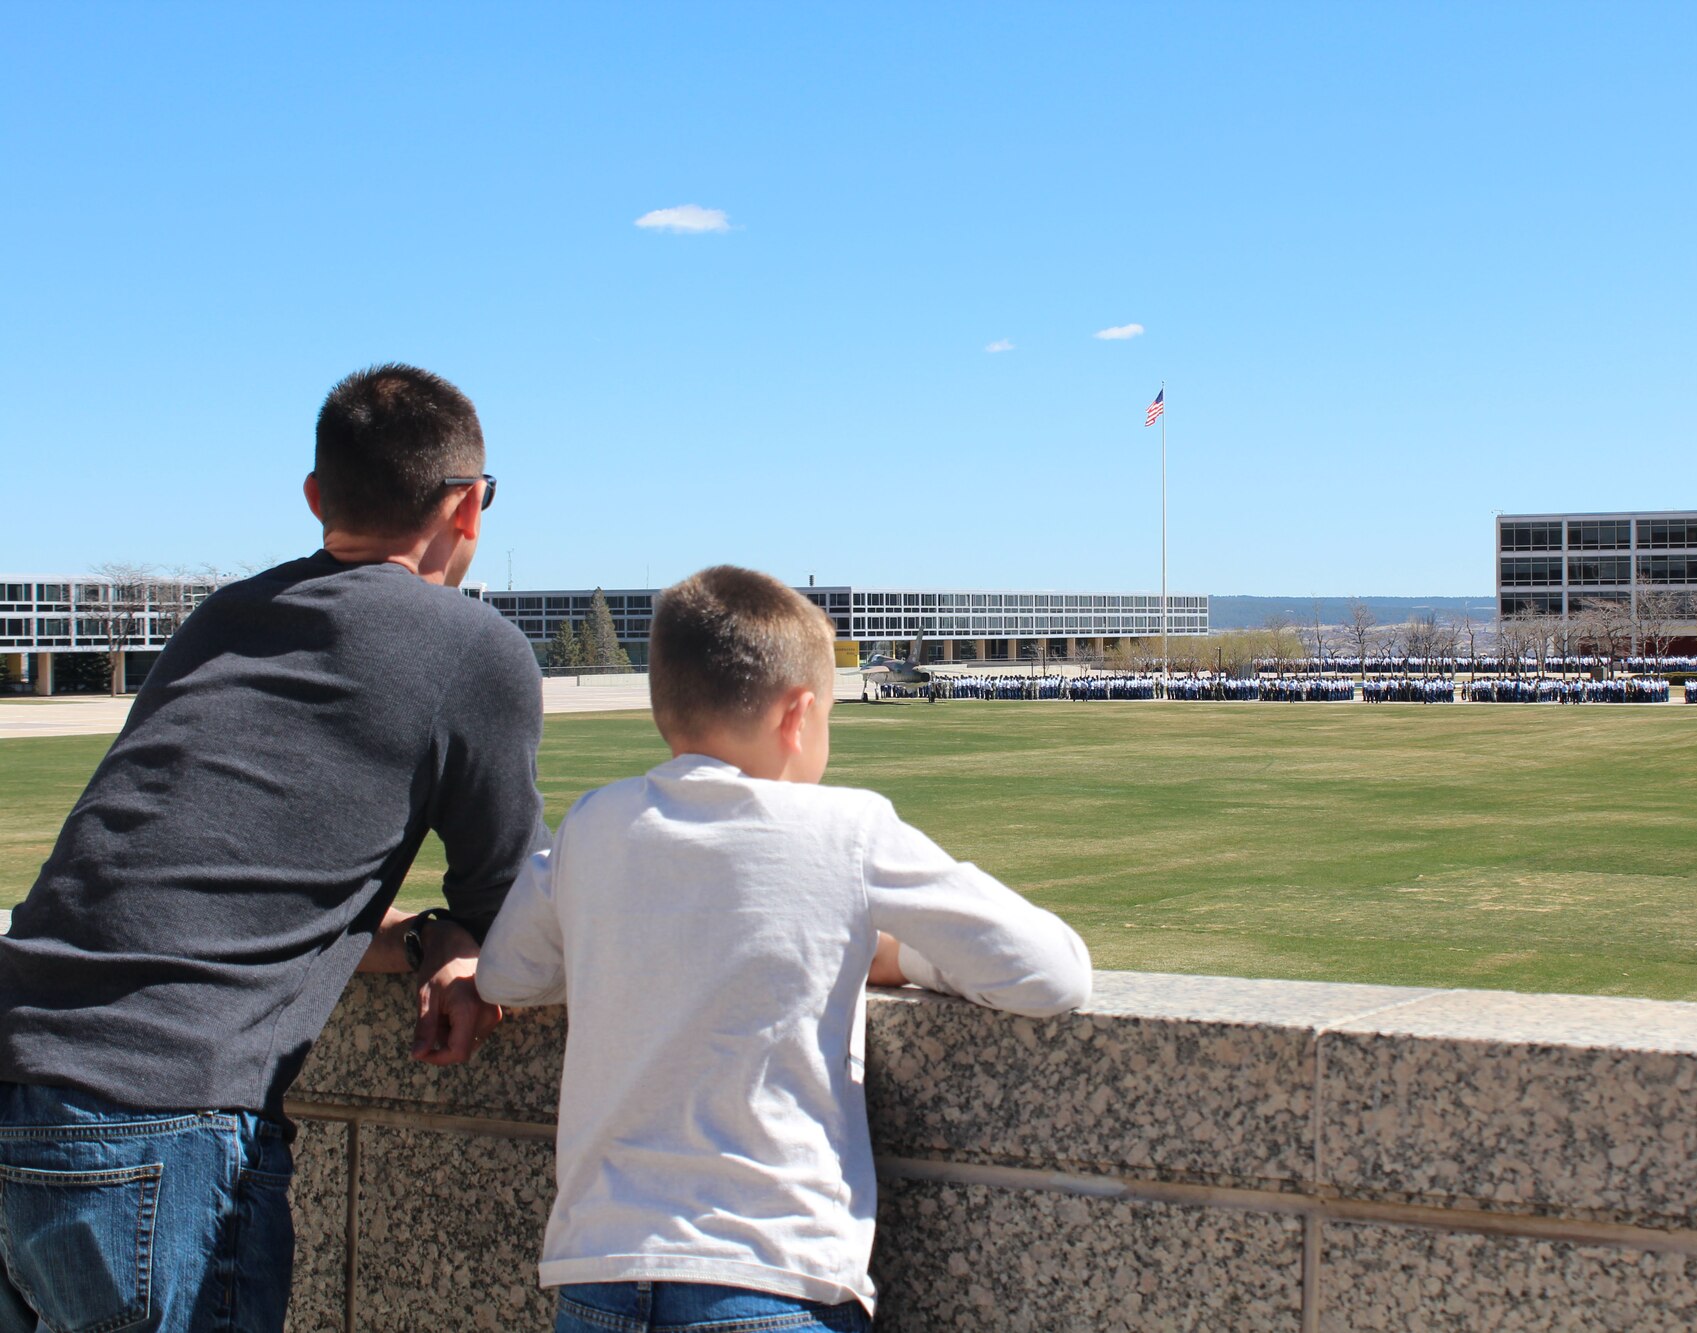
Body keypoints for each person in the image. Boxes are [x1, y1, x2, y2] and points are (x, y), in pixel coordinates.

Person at [0, 364, 544, 1332]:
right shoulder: (469, 643)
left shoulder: (227, 617)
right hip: (161, 1109)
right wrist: (464, 932)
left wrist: (428, 932)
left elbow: (220, 871)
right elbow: (519, 897)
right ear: (468, 506)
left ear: (314, 498)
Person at [477, 565, 1092, 1333]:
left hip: (598, 1274)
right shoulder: (847, 829)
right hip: (773, 1273)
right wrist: (901, 958)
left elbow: (506, 971)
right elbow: (1054, 971)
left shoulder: (596, 824)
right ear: (800, 715)